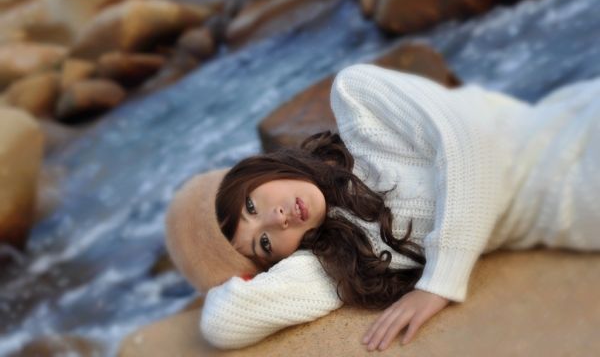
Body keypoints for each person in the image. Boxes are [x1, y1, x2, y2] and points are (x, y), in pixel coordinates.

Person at [166, 64, 600, 351]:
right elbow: (225, 322)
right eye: (263, 242)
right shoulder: (345, 259)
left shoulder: (358, 98)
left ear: (257, 171)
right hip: (574, 198)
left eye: (251, 203)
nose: (276, 220)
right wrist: (234, 276)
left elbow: (473, 144)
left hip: (573, 127)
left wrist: (438, 283)